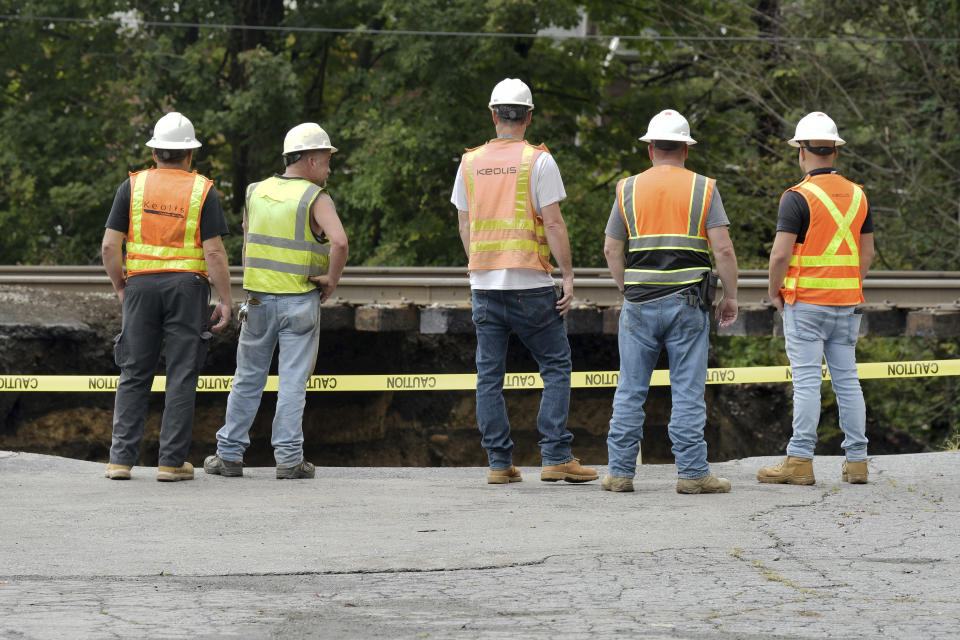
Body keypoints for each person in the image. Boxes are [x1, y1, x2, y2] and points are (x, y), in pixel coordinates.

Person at [451, 78, 598, 485]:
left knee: (489, 376)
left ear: (494, 114)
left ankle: (500, 464)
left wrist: (481, 263)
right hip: (531, 283)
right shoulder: (539, 161)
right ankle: (555, 456)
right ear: (529, 117)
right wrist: (567, 275)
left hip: (484, 285)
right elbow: (552, 222)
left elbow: (465, 223)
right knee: (555, 365)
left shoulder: (469, 163)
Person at [602, 109, 739, 494]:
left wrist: (627, 290)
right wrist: (731, 297)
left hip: (639, 304)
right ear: (686, 149)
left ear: (650, 149)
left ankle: (619, 472)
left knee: (630, 388)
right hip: (688, 303)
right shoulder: (704, 188)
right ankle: (693, 474)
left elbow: (612, 248)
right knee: (688, 389)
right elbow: (724, 250)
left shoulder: (627, 189)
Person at [204, 122, 347, 480]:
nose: (329, 169)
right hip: (300, 301)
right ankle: (288, 460)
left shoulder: (254, 192)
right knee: (293, 382)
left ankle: (229, 455)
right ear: (312, 160)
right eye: (327, 161)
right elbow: (340, 243)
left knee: (247, 379)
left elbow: (250, 243)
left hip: (258, 302)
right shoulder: (316, 198)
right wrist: (331, 279)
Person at [101, 112, 233, 482]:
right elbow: (215, 253)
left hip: (140, 287)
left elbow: (111, 246)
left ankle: (120, 461)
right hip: (187, 290)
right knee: (180, 374)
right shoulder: (202, 190)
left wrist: (121, 286)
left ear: (156, 151)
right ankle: (171, 463)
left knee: (133, 372)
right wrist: (225, 298)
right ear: (189, 154)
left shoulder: (133, 187)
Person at [757, 112, 874, 486]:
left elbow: (779, 255)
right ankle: (857, 461)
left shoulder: (797, 197)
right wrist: (845, 284)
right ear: (835, 151)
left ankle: (800, 461)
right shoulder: (859, 195)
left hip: (805, 303)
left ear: (802, 151)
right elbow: (866, 254)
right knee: (848, 379)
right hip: (846, 304)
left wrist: (775, 290)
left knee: (807, 381)